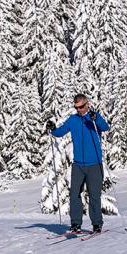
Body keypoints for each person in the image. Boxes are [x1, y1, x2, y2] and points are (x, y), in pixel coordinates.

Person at [47, 94, 111, 234]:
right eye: (76, 107)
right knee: (74, 194)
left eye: (81, 107)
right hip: (78, 165)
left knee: (94, 195)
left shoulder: (93, 119)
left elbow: (105, 128)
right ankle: (75, 224)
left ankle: (97, 225)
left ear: (87, 104)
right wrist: (53, 128)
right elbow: (60, 133)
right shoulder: (73, 120)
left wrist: (97, 118)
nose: (79, 110)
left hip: (94, 164)